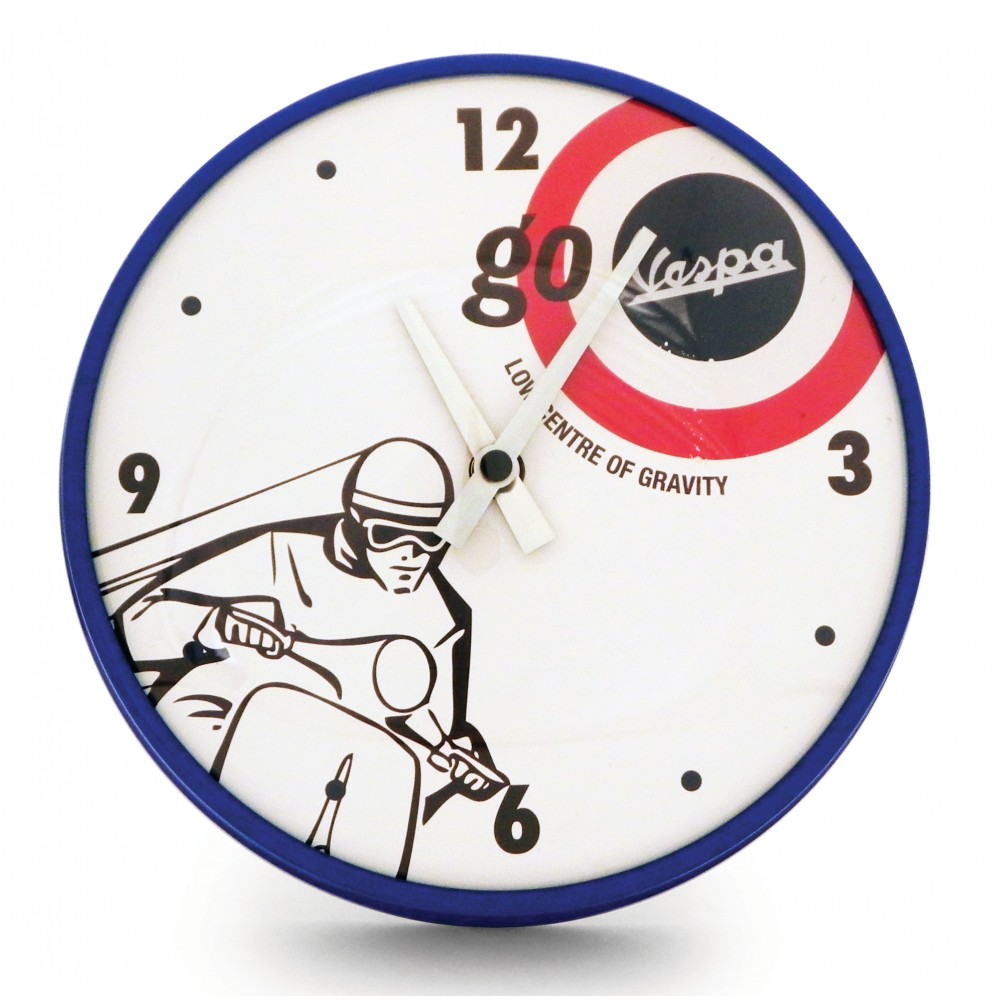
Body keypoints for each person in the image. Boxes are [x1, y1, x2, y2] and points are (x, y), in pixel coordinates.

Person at [111, 438, 504, 873]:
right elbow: (136, 620)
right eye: (387, 534)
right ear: (355, 521)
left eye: (430, 538)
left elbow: (427, 727)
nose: (411, 556)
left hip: (353, 767)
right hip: (233, 735)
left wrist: (456, 763)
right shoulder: (281, 553)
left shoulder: (445, 617)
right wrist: (216, 622)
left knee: (394, 782)